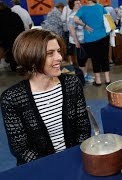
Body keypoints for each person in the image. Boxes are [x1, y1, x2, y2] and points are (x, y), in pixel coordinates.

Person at [0, 29, 91, 165]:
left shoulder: (72, 83)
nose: (59, 57)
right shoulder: (12, 98)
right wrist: (52, 166)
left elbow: (83, 129)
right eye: (50, 53)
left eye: (58, 51)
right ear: (31, 57)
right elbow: (21, 148)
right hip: (38, 168)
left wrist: (73, 160)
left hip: (74, 162)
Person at [74, 0, 111, 86]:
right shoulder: (100, 7)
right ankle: (107, 79)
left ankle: (98, 80)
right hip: (103, 35)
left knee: (95, 59)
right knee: (105, 57)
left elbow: (75, 19)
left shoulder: (83, 9)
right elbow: (108, 17)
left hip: (90, 38)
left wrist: (85, 25)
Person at [67, 0, 94, 83]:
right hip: (78, 41)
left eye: (80, 2)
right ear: (73, 5)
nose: (80, 4)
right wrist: (76, 41)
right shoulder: (72, 16)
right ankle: (83, 77)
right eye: (77, 3)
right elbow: (72, 30)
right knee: (81, 60)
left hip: (84, 40)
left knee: (84, 59)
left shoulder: (80, 13)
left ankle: (85, 74)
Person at [0, 2, 24, 72]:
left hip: (5, 40)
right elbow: (21, 26)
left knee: (8, 52)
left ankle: (11, 65)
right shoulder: (15, 15)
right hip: (18, 38)